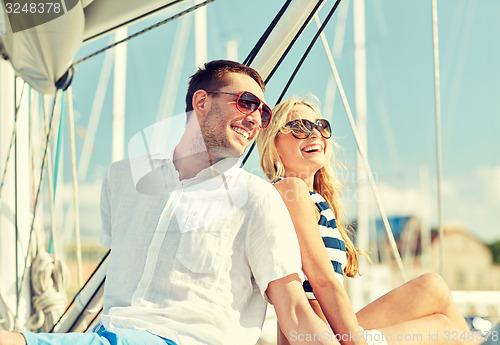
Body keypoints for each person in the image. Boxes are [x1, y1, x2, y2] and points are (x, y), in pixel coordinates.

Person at [0, 62, 339, 345]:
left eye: (263, 113)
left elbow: (294, 311)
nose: (255, 119)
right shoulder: (122, 179)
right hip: (111, 335)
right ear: (202, 101)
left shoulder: (258, 200)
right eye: (246, 102)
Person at [256, 96, 484, 345]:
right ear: (273, 142)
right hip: (317, 338)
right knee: (443, 327)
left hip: (332, 332)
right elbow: (323, 283)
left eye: (321, 126)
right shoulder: (290, 190)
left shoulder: (313, 199)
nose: (315, 134)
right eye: (300, 127)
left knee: (433, 286)